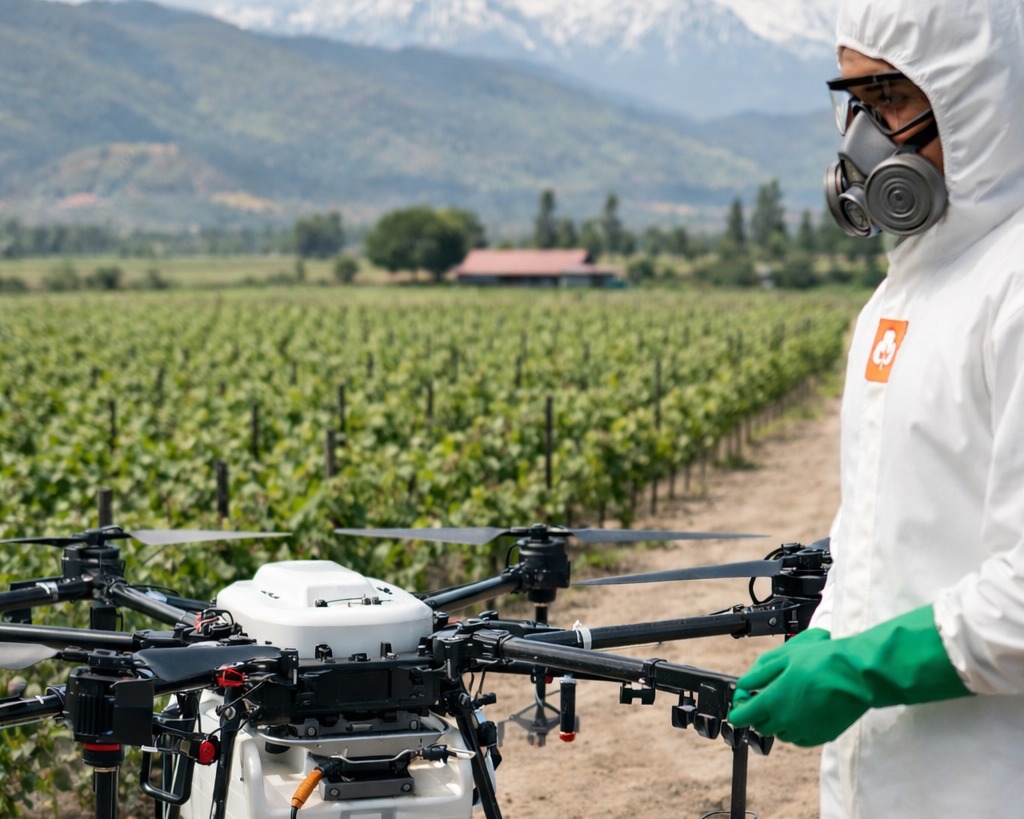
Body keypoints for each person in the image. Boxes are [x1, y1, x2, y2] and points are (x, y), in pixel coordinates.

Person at [726, 0, 1024, 816]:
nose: (864, 138)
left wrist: (863, 667)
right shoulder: (901, 295)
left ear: (978, 97)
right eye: (854, 102)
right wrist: (831, 628)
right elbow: (872, 522)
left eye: (889, 98)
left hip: (989, 783)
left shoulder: (1013, 286)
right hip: (882, 778)